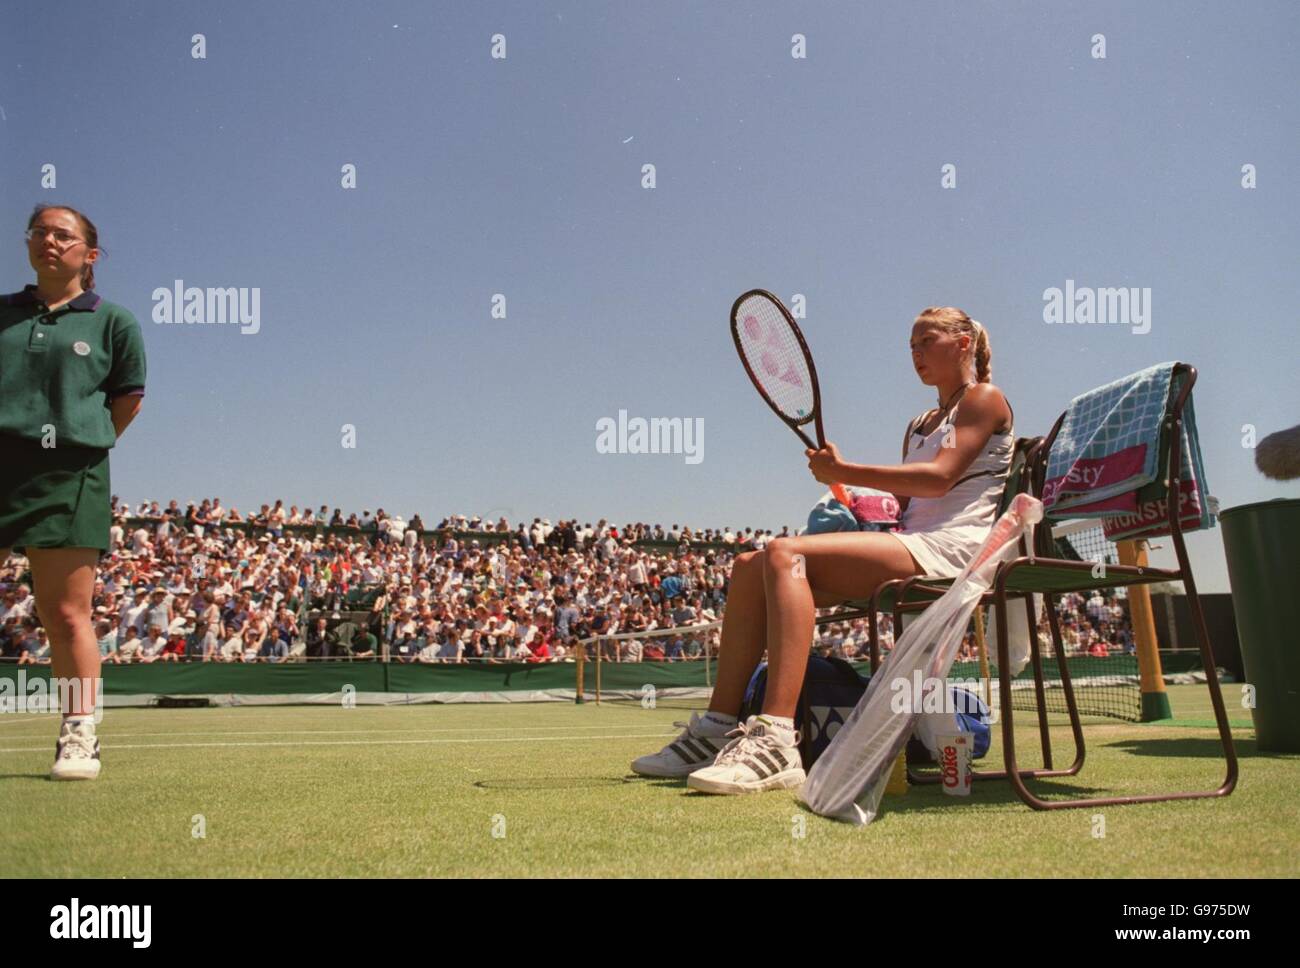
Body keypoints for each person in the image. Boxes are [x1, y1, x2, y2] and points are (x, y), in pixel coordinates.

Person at [631, 308, 1014, 795]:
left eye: (926, 340)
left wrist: (848, 469)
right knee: (751, 565)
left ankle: (775, 739)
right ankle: (717, 727)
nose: (915, 352)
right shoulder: (920, 422)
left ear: (963, 343)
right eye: (910, 344)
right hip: (908, 544)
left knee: (784, 553)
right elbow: (904, 502)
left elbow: (939, 480)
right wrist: (849, 497)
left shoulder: (984, 399)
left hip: (953, 552)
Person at [0, 205, 147, 780]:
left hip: (69, 474)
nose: (49, 241)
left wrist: (82, 440)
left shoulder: (115, 322)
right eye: (40, 232)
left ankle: (80, 733)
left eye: (64, 235)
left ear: (90, 255)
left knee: (64, 614)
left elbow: (126, 401)